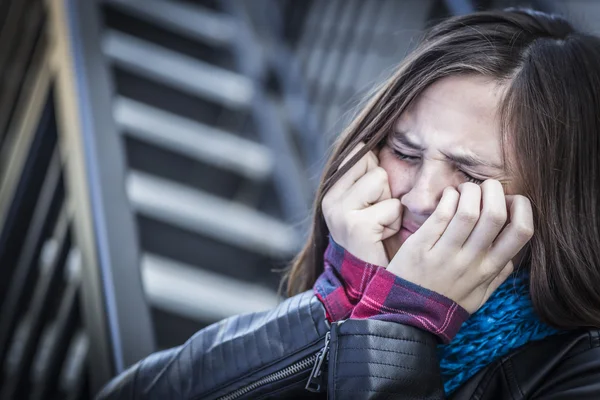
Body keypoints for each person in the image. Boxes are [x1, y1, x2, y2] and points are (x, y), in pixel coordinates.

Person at [97, 8, 600, 399]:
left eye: (469, 174)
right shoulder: (358, 292)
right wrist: (342, 305)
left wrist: (398, 334)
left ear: (560, 207)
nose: (419, 197)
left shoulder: (581, 373)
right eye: (404, 152)